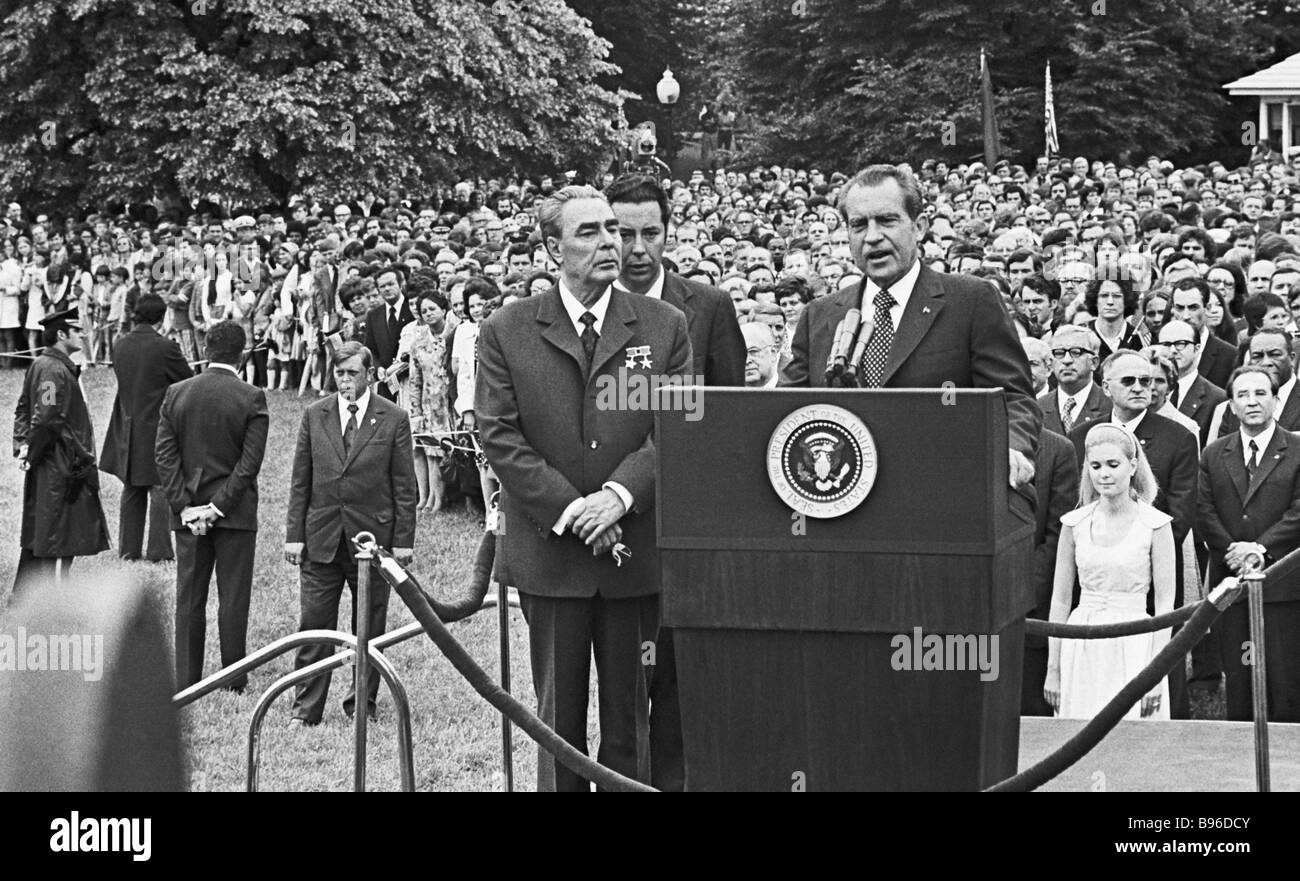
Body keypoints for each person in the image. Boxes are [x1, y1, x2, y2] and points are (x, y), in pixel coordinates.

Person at [476, 185, 692, 791]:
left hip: (635, 553)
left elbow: (676, 429)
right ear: (552, 247)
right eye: (590, 233)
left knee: (631, 721)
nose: (612, 244)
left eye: (613, 230)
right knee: (557, 721)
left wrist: (618, 496)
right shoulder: (507, 329)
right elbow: (498, 434)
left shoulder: (664, 325)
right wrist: (573, 509)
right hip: (552, 556)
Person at [781, 164, 1040, 490]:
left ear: (919, 226)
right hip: (842, 504)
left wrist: (1011, 447)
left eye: (887, 220)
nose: (872, 237)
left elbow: (1014, 399)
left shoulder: (972, 301)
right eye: (859, 225)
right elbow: (785, 412)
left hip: (945, 496)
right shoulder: (819, 316)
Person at [284, 341, 417, 725]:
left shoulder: (393, 418)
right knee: (314, 624)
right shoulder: (314, 415)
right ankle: (305, 710)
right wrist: (295, 534)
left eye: (352, 373)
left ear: (369, 375)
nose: (344, 381)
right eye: (339, 373)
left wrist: (403, 542)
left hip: (372, 541)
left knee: (369, 626)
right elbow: (300, 481)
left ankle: (362, 705)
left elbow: (404, 486)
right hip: (321, 538)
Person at [1069, 350, 1199, 718]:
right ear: (1105, 386)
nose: (1142, 387)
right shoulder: (1081, 436)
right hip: (1093, 579)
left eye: (1150, 380)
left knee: (1154, 681)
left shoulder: (1178, 436)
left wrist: (1133, 549)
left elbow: (1181, 511)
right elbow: (1074, 504)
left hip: (1149, 578)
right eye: (1130, 381)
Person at [155, 320, 269, 691]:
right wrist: (217, 507)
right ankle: (233, 677)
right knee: (233, 598)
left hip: (188, 514)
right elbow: (249, 464)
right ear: (243, 351)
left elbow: (165, 456)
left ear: (206, 350)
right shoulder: (251, 396)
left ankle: (187, 677)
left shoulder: (177, 392)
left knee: (189, 596)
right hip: (233, 513)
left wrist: (186, 506)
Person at [1046, 423, 1175, 720]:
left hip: (1135, 643)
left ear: (1132, 466)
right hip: (1081, 642)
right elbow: (1060, 600)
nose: (1104, 473)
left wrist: (1155, 674)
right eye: (1096, 465)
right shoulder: (1073, 524)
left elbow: (1166, 605)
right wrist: (1054, 668)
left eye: (1113, 465)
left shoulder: (1155, 524)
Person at [1198, 365, 1300, 721]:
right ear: (1231, 405)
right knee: (1243, 672)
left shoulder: (1297, 449)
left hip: (1283, 591)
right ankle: (1238, 750)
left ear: (1275, 400)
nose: (1252, 402)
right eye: (1242, 395)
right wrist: (1235, 552)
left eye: (1260, 394)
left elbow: (1298, 511)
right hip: (1233, 587)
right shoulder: (1214, 454)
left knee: (1284, 678)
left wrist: (1259, 549)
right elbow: (1205, 510)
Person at [607, 175, 745, 386]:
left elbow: (730, 404)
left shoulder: (711, 306)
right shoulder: (587, 305)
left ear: (666, 233)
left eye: (650, 234)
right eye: (625, 235)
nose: (638, 248)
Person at [10, 307, 110, 597]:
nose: (82, 334)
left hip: (59, 462)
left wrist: (25, 446)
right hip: (60, 465)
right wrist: (29, 452)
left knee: (47, 536)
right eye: (77, 330)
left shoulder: (49, 365)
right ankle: (49, 603)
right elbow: (46, 417)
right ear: (62, 335)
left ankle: (28, 599)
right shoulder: (52, 369)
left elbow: (26, 410)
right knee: (54, 538)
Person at [99, 294, 194, 562]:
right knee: (161, 487)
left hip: (127, 423)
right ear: (161, 316)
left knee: (132, 487)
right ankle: (160, 551)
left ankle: (128, 550)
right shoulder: (165, 347)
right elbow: (186, 381)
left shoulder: (120, 344)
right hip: (156, 425)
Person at [405, 292, 454, 512]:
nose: (428, 314)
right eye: (424, 311)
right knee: (429, 451)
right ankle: (430, 498)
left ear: (444, 309)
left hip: (450, 404)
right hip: (428, 404)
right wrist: (414, 411)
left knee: (446, 450)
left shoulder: (455, 334)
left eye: (432, 309)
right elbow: (415, 381)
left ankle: (444, 498)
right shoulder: (418, 343)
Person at [1158, 319, 1226, 448]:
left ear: (1197, 349)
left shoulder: (1217, 398)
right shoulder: (1148, 392)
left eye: (1181, 344)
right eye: (1166, 344)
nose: (1172, 350)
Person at [1038, 325, 1111, 435]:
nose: (1066, 360)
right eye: (1059, 353)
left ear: (1094, 362)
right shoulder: (1038, 407)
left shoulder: (1111, 405)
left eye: (1076, 352)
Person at [1169, 278, 1237, 391]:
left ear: (1207, 308)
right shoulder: (1162, 351)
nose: (1185, 316)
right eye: (1180, 308)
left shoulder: (1230, 356)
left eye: (1193, 308)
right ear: (1173, 309)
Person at [363, 265, 415, 401]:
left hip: (411, 377)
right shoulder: (373, 315)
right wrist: (378, 367)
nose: (387, 289)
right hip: (386, 379)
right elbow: (370, 348)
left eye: (391, 284)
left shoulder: (413, 308)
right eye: (382, 286)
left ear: (401, 284)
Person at [741, 322, 781, 388]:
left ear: (773, 353)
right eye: (741, 354)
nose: (747, 361)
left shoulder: (795, 390)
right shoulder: (726, 395)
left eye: (753, 351)